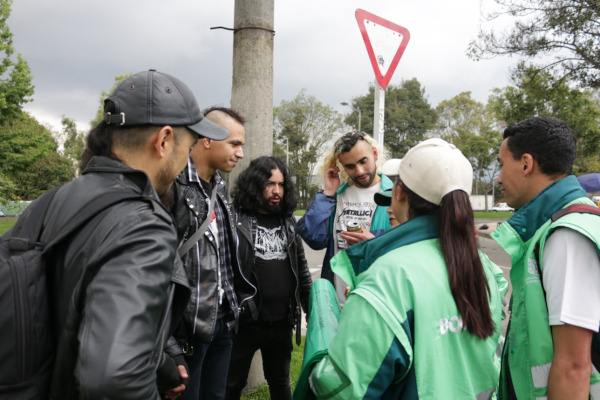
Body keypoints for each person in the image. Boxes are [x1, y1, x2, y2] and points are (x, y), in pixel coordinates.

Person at [6, 69, 230, 399]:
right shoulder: (143, 228)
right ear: (164, 140)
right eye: (190, 145)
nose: (187, 162)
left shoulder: (50, 201)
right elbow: (114, 380)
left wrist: (155, 358)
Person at [307, 138, 507, 399]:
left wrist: (319, 345)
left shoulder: (386, 276)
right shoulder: (484, 267)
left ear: (399, 192)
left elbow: (344, 388)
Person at [493, 116, 600, 399]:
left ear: (526, 164)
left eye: (503, 165)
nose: (499, 178)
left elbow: (574, 367)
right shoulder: (554, 226)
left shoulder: (567, 234)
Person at [172, 107, 246, 400]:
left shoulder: (219, 186)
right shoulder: (173, 184)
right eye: (234, 143)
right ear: (207, 139)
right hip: (188, 327)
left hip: (223, 318)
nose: (240, 153)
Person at [224, 156, 312, 400]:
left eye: (281, 185)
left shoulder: (287, 221)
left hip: (282, 321)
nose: (277, 191)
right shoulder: (233, 219)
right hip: (244, 323)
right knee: (231, 385)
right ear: (254, 184)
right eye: (270, 184)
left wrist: (311, 311)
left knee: (281, 383)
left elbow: (302, 271)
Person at [297, 131, 392, 303]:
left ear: (375, 154)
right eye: (350, 166)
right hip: (336, 301)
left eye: (363, 161)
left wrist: (371, 245)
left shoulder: (394, 195)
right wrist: (327, 194)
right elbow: (314, 239)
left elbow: (405, 253)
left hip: (377, 299)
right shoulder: (336, 196)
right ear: (341, 166)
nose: (359, 171)